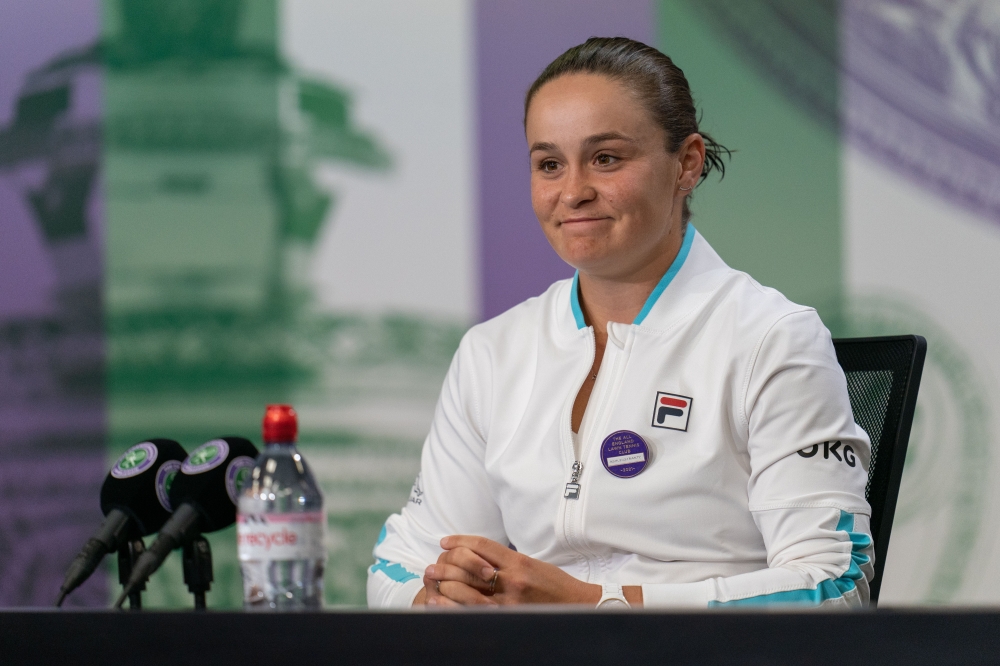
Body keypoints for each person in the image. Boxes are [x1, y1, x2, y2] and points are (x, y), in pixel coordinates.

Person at [367, 37, 873, 609]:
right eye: (549, 164)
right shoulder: (492, 352)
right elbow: (399, 565)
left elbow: (835, 586)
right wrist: (435, 602)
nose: (574, 191)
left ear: (687, 163)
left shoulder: (770, 338)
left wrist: (591, 605)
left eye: (606, 158)